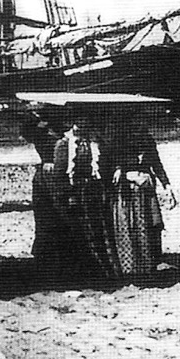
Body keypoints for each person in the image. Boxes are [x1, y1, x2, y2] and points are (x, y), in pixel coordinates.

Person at [52, 116, 120, 281]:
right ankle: (82, 274)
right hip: (75, 193)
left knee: (100, 232)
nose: (82, 126)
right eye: (78, 122)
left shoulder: (95, 143)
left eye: (85, 122)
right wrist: (67, 197)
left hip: (94, 193)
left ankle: (105, 273)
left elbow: (107, 162)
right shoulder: (63, 145)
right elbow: (59, 175)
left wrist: (116, 169)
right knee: (78, 234)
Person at [107, 118, 177, 278]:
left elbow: (156, 164)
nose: (140, 127)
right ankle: (131, 267)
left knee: (152, 223)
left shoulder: (148, 141)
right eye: (137, 124)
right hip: (127, 191)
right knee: (130, 226)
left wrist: (167, 185)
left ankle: (152, 263)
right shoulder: (118, 141)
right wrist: (124, 173)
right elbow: (108, 164)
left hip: (146, 189)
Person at [21, 109, 70, 286]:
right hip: (54, 176)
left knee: (46, 218)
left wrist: (35, 117)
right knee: (56, 217)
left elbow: (26, 132)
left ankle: (49, 259)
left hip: (45, 175)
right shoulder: (56, 136)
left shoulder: (41, 132)